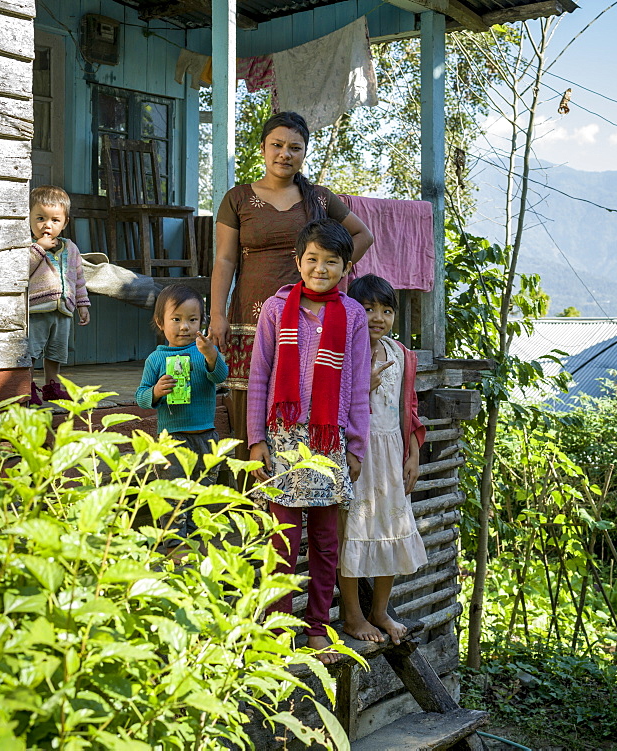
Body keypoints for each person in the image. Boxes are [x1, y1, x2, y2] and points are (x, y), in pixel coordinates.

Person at [209, 111, 373, 465]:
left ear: (304, 153)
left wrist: (330, 274)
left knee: (305, 398)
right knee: (250, 406)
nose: (285, 154)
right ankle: (249, 503)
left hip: (305, 320)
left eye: (294, 148)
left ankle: (304, 493)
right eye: (277, 145)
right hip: (249, 321)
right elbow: (224, 261)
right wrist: (217, 314)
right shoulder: (237, 199)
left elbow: (363, 235)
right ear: (263, 149)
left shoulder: (320, 199)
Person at [246, 219, 370, 662]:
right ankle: (279, 630)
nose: (320, 268)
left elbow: (356, 385)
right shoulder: (277, 309)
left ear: (345, 267)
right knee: (282, 539)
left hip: (327, 440)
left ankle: (317, 626)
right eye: (312, 259)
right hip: (282, 439)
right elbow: (259, 373)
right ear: (298, 262)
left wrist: (356, 446)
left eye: (331, 261)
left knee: (324, 540)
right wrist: (256, 438)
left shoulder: (352, 316)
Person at [339, 274, 427, 644]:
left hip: (393, 455)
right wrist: (362, 386)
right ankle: (353, 615)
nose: (378, 317)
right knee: (354, 530)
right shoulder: (344, 351)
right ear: (353, 313)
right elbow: (332, 404)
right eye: (368, 308)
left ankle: (379, 611)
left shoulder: (401, 355)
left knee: (390, 528)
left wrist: (414, 454)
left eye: (386, 310)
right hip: (358, 454)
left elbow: (410, 408)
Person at [135, 284, 229, 552]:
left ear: (202, 322)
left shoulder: (203, 352)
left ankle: (198, 542)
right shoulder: (156, 359)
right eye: (176, 319)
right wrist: (155, 392)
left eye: (192, 319)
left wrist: (212, 355)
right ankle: (175, 547)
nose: (184, 327)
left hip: (205, 437)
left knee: (203, 494)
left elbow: (220, 376)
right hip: (172, 440)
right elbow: (141, 397)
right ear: (160, 322)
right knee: (172, 494)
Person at [27, 185, 90, 405]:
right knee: (32, 351)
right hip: (38, 308)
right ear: (30, 219)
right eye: (40, 218)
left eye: (55, 220)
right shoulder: (30, 247)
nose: (47, 225)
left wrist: (82, 304)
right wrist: (39, 248)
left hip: (63, 309)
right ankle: (27, 387)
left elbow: (78, 278)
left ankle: (52, 386)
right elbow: (23, 270)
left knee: (56, 352)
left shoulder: (71, 248)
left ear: (65, 223)